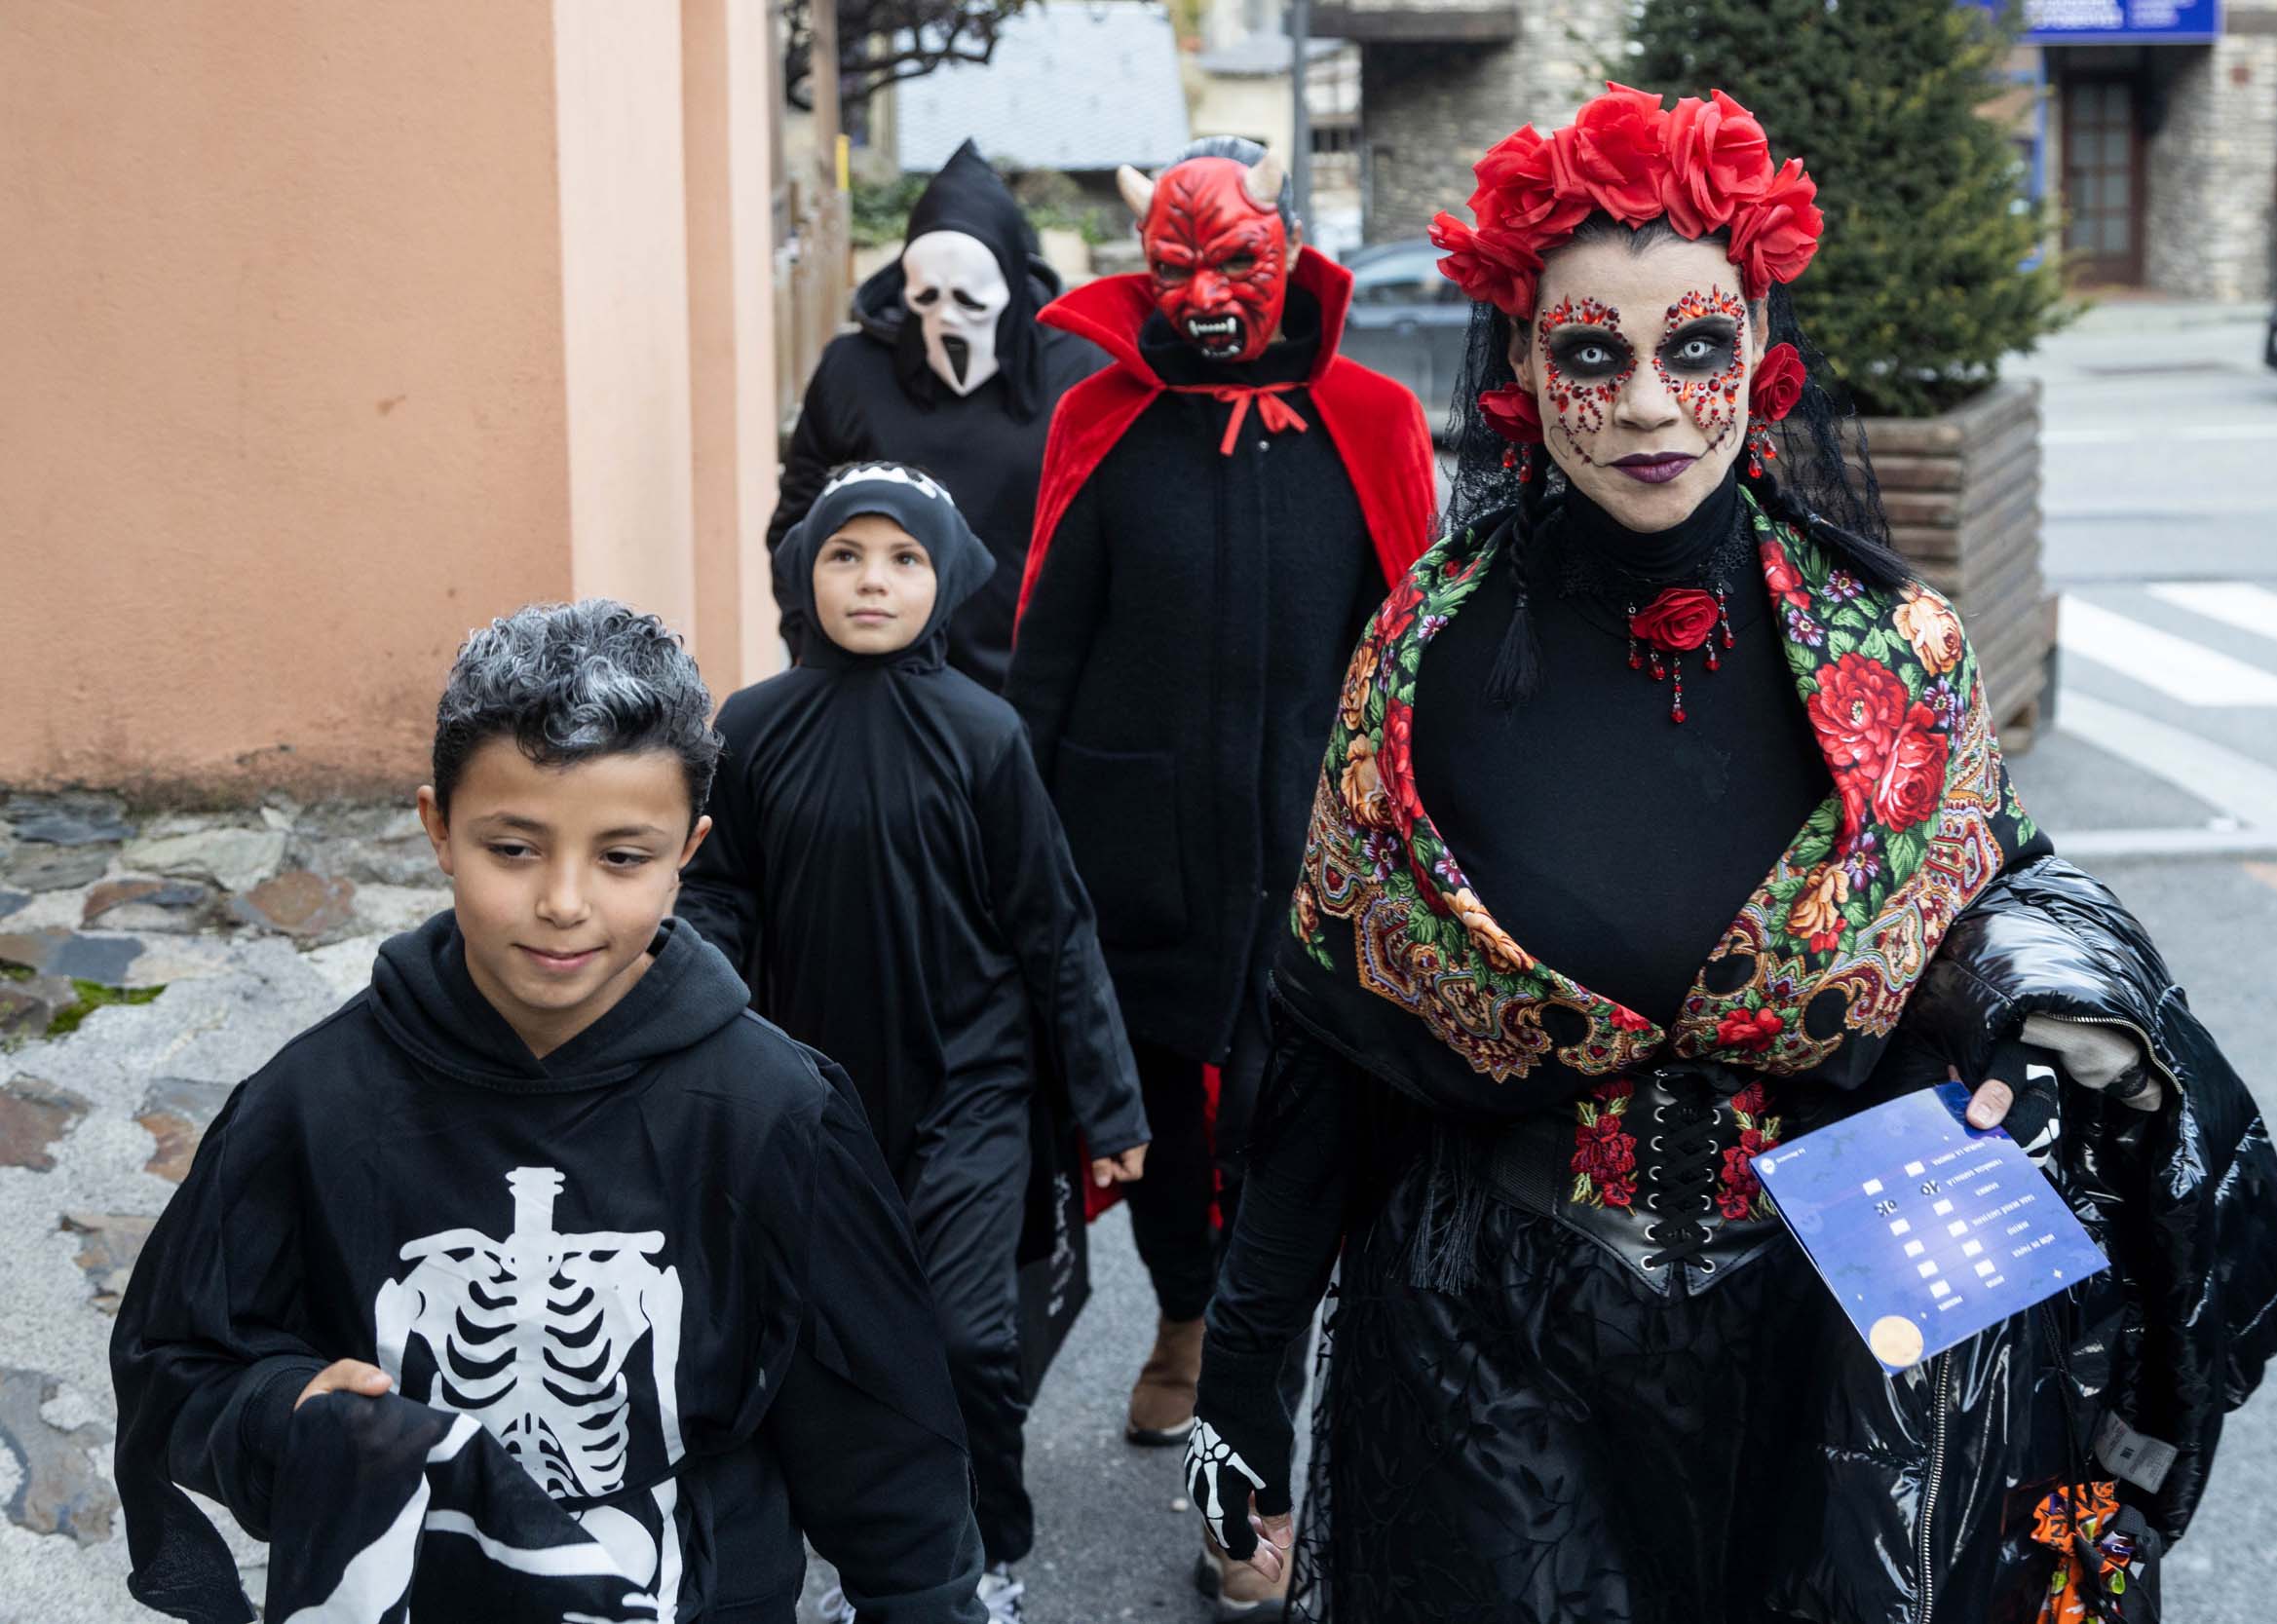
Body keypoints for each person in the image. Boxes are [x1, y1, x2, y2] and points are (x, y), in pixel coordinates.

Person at [1181, 87, 2277, 1623]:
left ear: (1758, 354)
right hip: (1492, 1358)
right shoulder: (1414, 662)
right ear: (1522, 364)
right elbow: (1328, 1048)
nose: (1648, 402)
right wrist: (1242, 1377)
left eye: (1693, 347)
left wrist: (2042, 1007)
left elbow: (1996, 898)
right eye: (1593, 353)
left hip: (1855, 1355)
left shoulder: (1894, 650)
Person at [111, 600, 988, 1623]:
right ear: (438, 826)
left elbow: (882, 1452)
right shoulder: (314, 1101)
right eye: (513, 847)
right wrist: (279, 1409)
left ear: (688, 848)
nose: (564, 901)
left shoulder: (772, 1110)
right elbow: (176, 1365)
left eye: (622, 856)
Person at [1002, 132, 1434, 1605]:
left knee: (1288, 1163)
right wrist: (1017, 846)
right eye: (1171, 265)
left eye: (1229, 261)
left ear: (1287, 252)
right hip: (1138, 864)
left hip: (1313, 881)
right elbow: (1046, 650)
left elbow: (1409, 656)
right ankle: (1180, 1313)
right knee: (1173, 1141)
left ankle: (1239, 1479)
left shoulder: (1370, 418)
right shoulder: (1105, 420)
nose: (1200, 295)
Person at [679, 462, 1151, 1624]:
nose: (873, 581)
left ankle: (991, 1545)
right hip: (811, 1091)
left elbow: (1052, 922)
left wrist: (1109, 1101)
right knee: (832, 1342)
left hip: (972, 1086)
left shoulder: (984, 734)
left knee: (961, 1332)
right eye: (846, 555)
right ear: (803, 572)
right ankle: (879, 1558)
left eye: (904, 558)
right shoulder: (749, 725)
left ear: (945, 581)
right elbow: (721, 892)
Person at [770, 140, 1107, 685]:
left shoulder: (1079, 372)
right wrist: (815, 649)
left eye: (969, 300)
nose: (948, 320)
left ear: (1011, 290)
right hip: (876, 684)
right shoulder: (853, 370)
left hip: (1029, 687)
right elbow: (798, 521)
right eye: (928, 298)